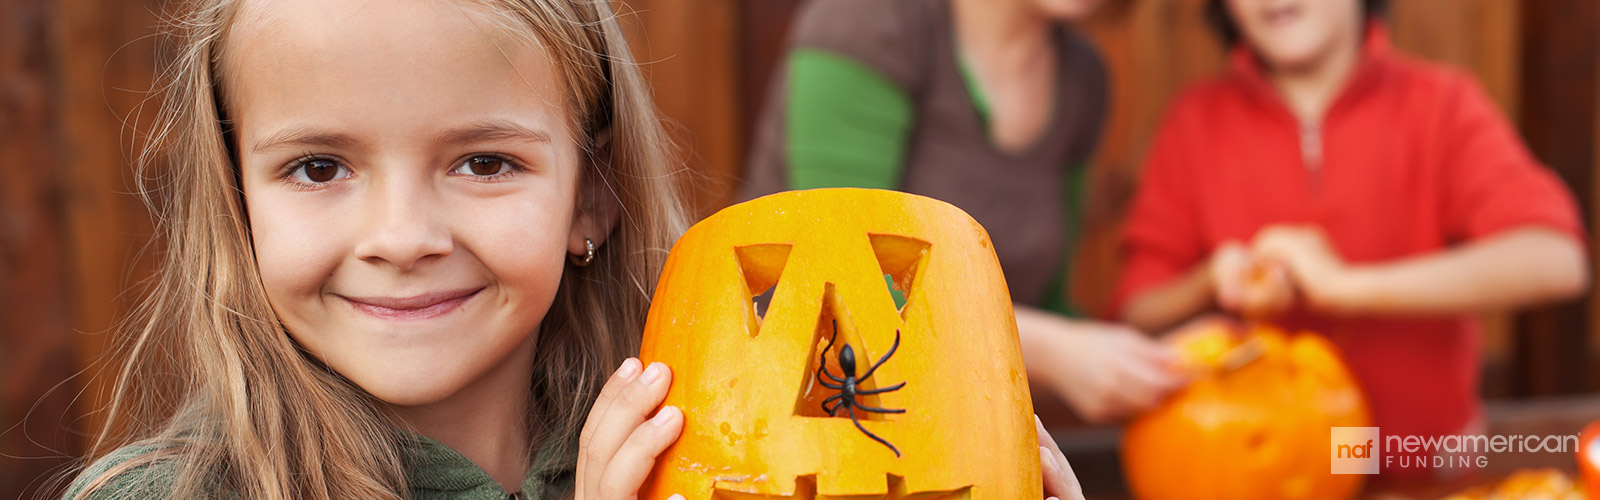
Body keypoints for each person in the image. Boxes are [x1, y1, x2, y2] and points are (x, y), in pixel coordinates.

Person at [61, 0, 1085, 498]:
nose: (404, 238)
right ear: (238, 201)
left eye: (485, 163)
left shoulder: (714, 446)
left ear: (589, 196)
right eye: (319, 167)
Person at [1116, 0, 1589, 479]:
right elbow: (1137, 310)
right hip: (1250, 473)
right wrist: (1209, 279)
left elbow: (1556, 257)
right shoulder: (1194, 122)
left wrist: (1345, 286)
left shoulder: (1441, 103)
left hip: (1426, 468)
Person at [741, 0, 1187, 424]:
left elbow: (1048, 307)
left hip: (968, 431)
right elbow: (841, 276)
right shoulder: (868, 20)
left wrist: (1156, 363)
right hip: (801, 420)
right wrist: (1057, 353)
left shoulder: (1083, 77)